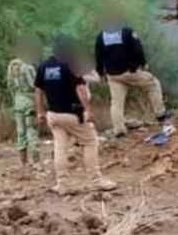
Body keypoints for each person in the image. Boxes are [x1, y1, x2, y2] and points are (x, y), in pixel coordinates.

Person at [35, 37, 117, 195]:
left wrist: (40, 112)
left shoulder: (43, 67)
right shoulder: (71, 65)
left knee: (60, 147)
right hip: (72, 114)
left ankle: (62, 184)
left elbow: (38, 91)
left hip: (53, 115)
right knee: (90, 141)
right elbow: (80, 89)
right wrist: (88, 110)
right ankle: (96, 180)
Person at [94, 15, 171, 138]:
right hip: (130, 72)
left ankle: (119, 129)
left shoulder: (100, 37)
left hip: (113, 75)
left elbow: (98, 57)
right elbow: (138, 49)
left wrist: (100, 73)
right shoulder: (127, 32)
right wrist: (142, 63)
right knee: (153, 84)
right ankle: (161, 115)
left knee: (116, 103)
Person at [6, 36, 42, 170]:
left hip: (17, 101)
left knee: (20, 132)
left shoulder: (11, 66)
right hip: (29, 101)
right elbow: (34, 85)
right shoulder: (27, 67)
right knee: (31, 131)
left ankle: (23, 162)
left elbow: (9, 85)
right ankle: (36, 162)